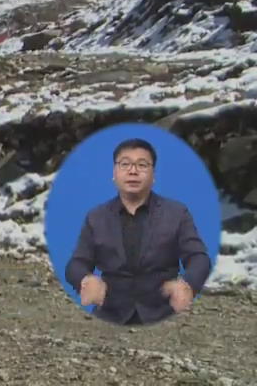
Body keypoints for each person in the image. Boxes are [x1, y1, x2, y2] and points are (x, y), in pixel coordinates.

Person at [64, 138, 212, 326]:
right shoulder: (97, 217)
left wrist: (187, 285)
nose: (133, 171)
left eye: (142, 165)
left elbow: (199, 257)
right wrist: (85, 280)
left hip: (163, 315)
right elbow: (77, 263)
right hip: (110, 315)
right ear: (114, 173)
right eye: (125, 164)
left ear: (153, 174)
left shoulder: (176, 213)